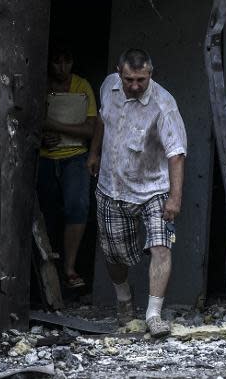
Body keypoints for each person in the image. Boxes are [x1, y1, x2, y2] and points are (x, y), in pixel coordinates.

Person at [86, 48, 187, 337]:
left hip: (153, 188)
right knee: (114, 254)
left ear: (150, 74)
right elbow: (102, 120)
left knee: (160, 247)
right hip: (112, 185)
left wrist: (175, 197)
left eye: (141, 80)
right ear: (119, 72)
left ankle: (153, 315)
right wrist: (93, 153)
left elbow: (176, 153)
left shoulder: (163, 104)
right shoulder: (108, 86)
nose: (134, 86)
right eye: (129, 79)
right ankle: (123, 299)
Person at [37, 45, 97, 289]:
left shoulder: (82, 87)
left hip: (75, 156)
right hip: (45, 158)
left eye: (66, 61)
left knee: (77, 208)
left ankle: (69, 268)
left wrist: (52, 125)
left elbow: (91, 129)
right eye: (56, 62)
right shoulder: (40, 85)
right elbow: (25, 122)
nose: (62, 68)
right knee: (46, 213)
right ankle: (46, 272)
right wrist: (42, 135)